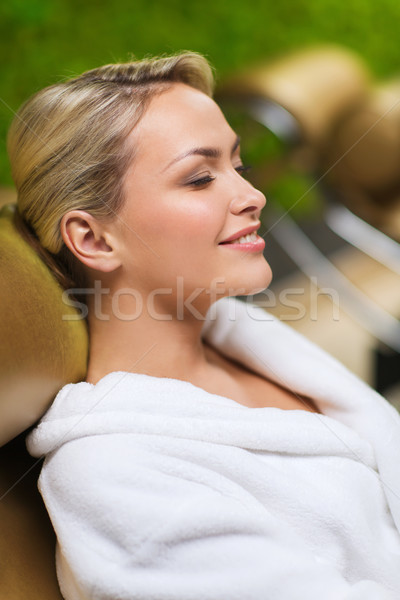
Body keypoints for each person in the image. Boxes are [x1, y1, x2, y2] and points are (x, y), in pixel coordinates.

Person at [8, 52, 400, 599]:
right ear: (95, 240)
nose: (253, 195)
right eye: (198, 178)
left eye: (236, 167)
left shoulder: (249, 344)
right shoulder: (117, 478)